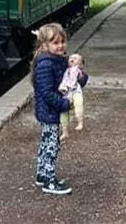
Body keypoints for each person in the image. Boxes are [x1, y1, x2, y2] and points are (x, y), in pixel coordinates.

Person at [31, 23, 87, 195]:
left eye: (62, 42)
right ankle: (49, 180)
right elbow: (47, 92)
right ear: (44, 45)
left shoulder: (60, 60)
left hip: (50, 111)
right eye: (55, 43)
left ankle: (41, 174)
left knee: (47, 143)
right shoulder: (46, 65)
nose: (60, 46)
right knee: (51, 145)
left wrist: (80, 76)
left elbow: (71, 80)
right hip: (50, 112)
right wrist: (64, 104)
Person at [58, 53, 86, 139]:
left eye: (75, 58)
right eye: (71, 57)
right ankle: (65, 131)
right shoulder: (66, 70)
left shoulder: (77, 70)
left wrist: (79, 72)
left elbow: (82, 78)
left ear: (80, 64)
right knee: (63, 112)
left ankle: (80, 122)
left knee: (78, 103)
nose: (72, 59)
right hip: (66, 93)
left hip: (75, 90)